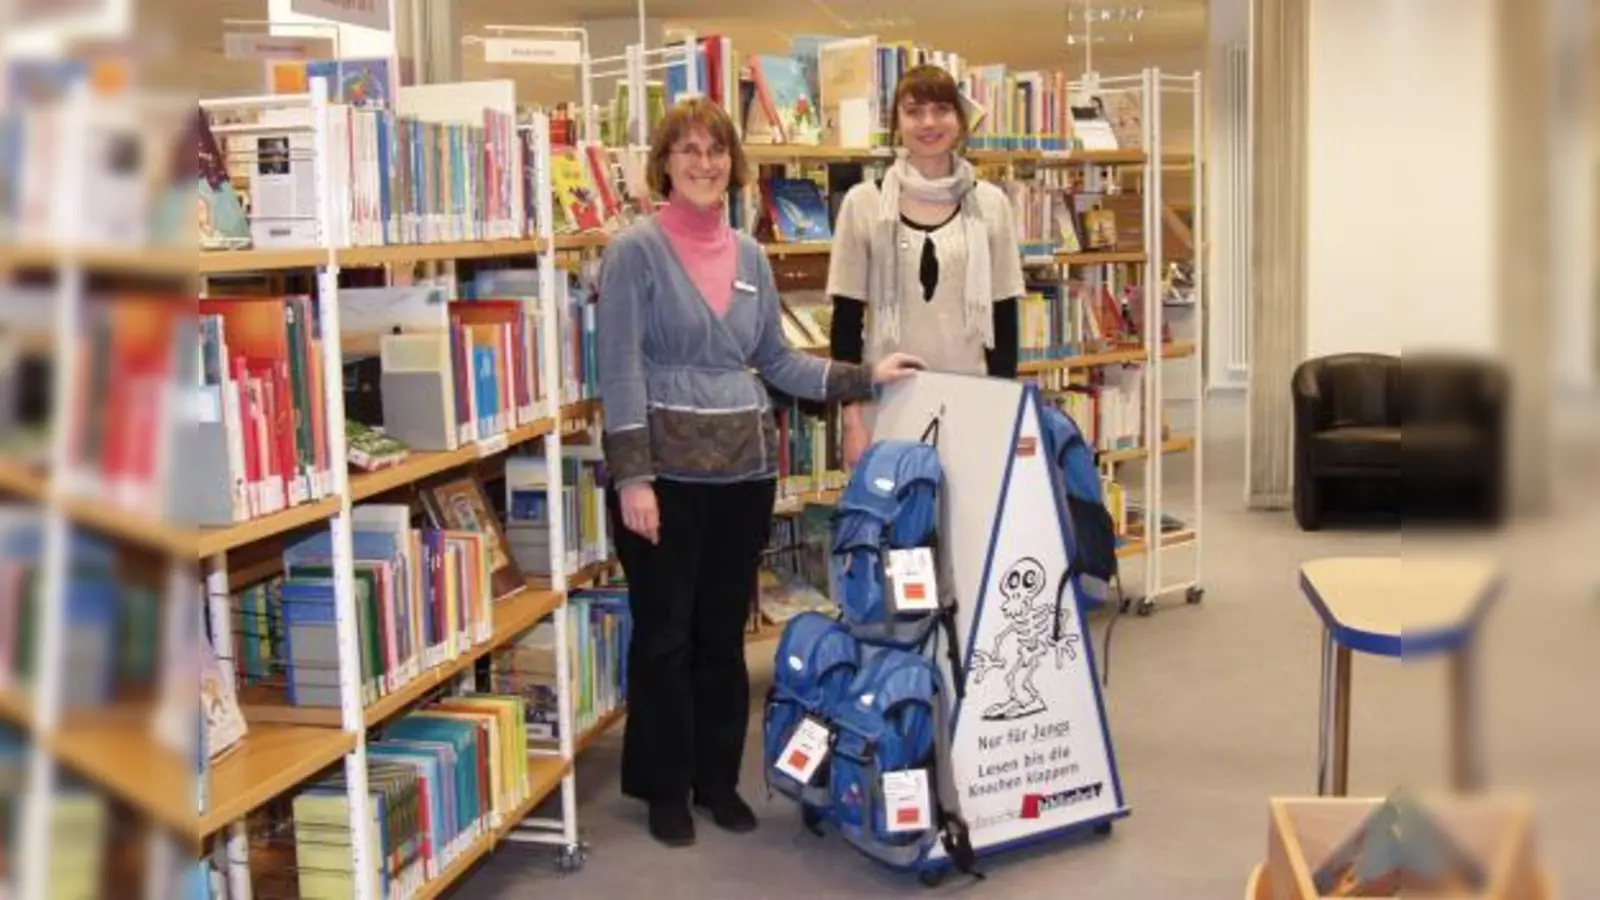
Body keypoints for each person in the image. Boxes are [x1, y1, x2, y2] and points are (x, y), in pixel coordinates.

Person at [595, 98, 925, 848]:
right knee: (664, 637)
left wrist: (864, 377)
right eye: (689, 150)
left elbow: (775, 361)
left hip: (743, 474)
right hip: (666, 478)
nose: (704, 163)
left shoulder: (747, 254)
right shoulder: (633, 253)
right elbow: (617, 372)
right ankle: (665, 787)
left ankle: (716, 779)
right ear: (666, 162)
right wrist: (633, 479)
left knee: (721, 636)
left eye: (716, 150)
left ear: (733, 165)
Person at [827, 64, 1026, 467]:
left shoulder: (991, 204)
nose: (929, 122)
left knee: (968, 527)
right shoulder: (863, 204)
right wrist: (852, 420)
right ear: (896, 123)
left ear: (960, 118)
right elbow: (846, 323)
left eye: (941, 109)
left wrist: (1001, 408)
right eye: (914, 111)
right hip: (886, 404)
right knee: (894, 527)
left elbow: (1005, 318)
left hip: (972, 399)